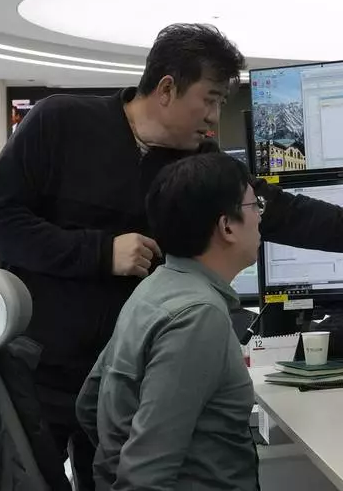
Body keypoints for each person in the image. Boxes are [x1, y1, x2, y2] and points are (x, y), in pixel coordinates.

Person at [0, 23, 343, 489]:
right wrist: (98, 252)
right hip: (40, 370)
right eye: (209, 99)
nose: (214, 118)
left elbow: (283, 212)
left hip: (130, 381)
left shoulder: (197, 162)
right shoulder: (61, 122)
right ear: (168, 88)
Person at [77, 151, 262, 491]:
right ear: (227, 226)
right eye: (254, 206)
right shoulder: (198, 316)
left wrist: (111, 469)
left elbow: (89, 404)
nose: (260, 216)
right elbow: (146, 475)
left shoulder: (154, 286)